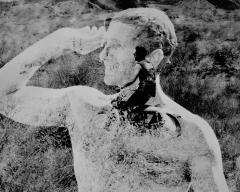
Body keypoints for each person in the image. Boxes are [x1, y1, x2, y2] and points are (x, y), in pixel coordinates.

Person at [0, 8, 229, 192]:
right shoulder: (83, 107)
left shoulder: (192, 133)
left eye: (115, 46)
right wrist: (61, 39)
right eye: (104, 46)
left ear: (152, 57)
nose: (102, 56)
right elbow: (3, 96)